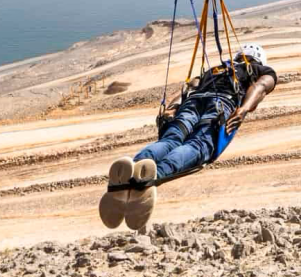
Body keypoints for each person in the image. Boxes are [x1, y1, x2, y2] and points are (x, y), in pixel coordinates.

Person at [99, 43, 277, 230]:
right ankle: (152, 175)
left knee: (170, 140)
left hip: (191, 104)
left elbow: (189, 87)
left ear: (240, 54)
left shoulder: (215, 68)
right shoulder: (260, 69)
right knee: (198, 146)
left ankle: (137, 165)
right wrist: (244, 108)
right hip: (221, 103)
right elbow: (261, 86)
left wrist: (171, 107)